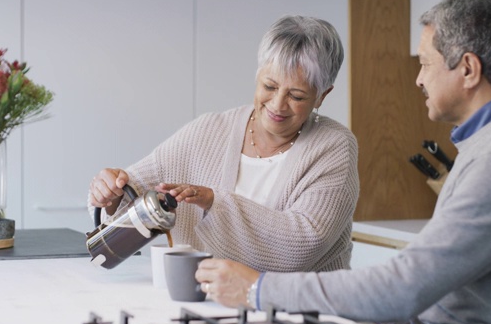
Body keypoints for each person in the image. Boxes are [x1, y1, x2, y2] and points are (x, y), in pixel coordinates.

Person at [195, 0, 491, 324]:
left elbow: (406, 286)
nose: (419, 79)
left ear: (468, 69)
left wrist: (258, 289)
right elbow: (444, 283)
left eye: (424, 63)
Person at [88, 15, 359, 273]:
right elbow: (133, 190)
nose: (277, 105)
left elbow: (305, 243)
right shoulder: (209, 130)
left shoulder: (333, 147)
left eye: (297, 96)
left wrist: (214, 202)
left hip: (302, 310)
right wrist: (110, 194)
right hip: (209, 301)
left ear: (322, 95)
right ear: (257, 75)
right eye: (270, 86)